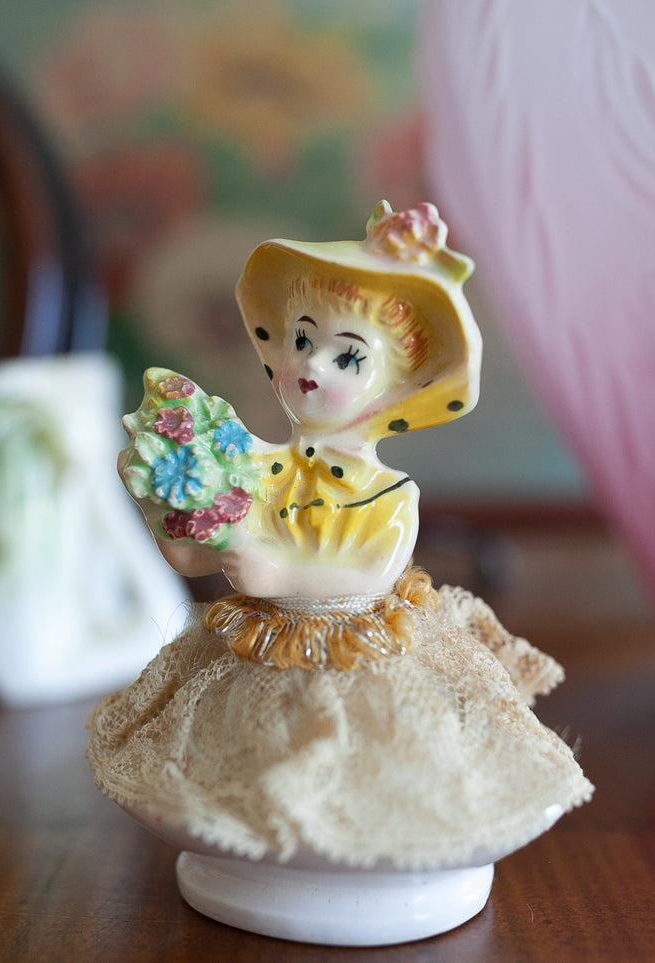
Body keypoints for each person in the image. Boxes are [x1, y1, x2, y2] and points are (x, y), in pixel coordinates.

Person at [90, 202, 591, 872]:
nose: (312, 364)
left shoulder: (388, 495)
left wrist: (266, 569)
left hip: (356, 652)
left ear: (395, 388)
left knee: (374, 763)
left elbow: (367, 571)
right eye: (301, 340)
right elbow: (191, 555)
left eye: (346, 356)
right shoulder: (255, 463)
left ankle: (367, 847)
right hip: (258, 652)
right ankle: (250, 837)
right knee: (234, 762)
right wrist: (166, 503)